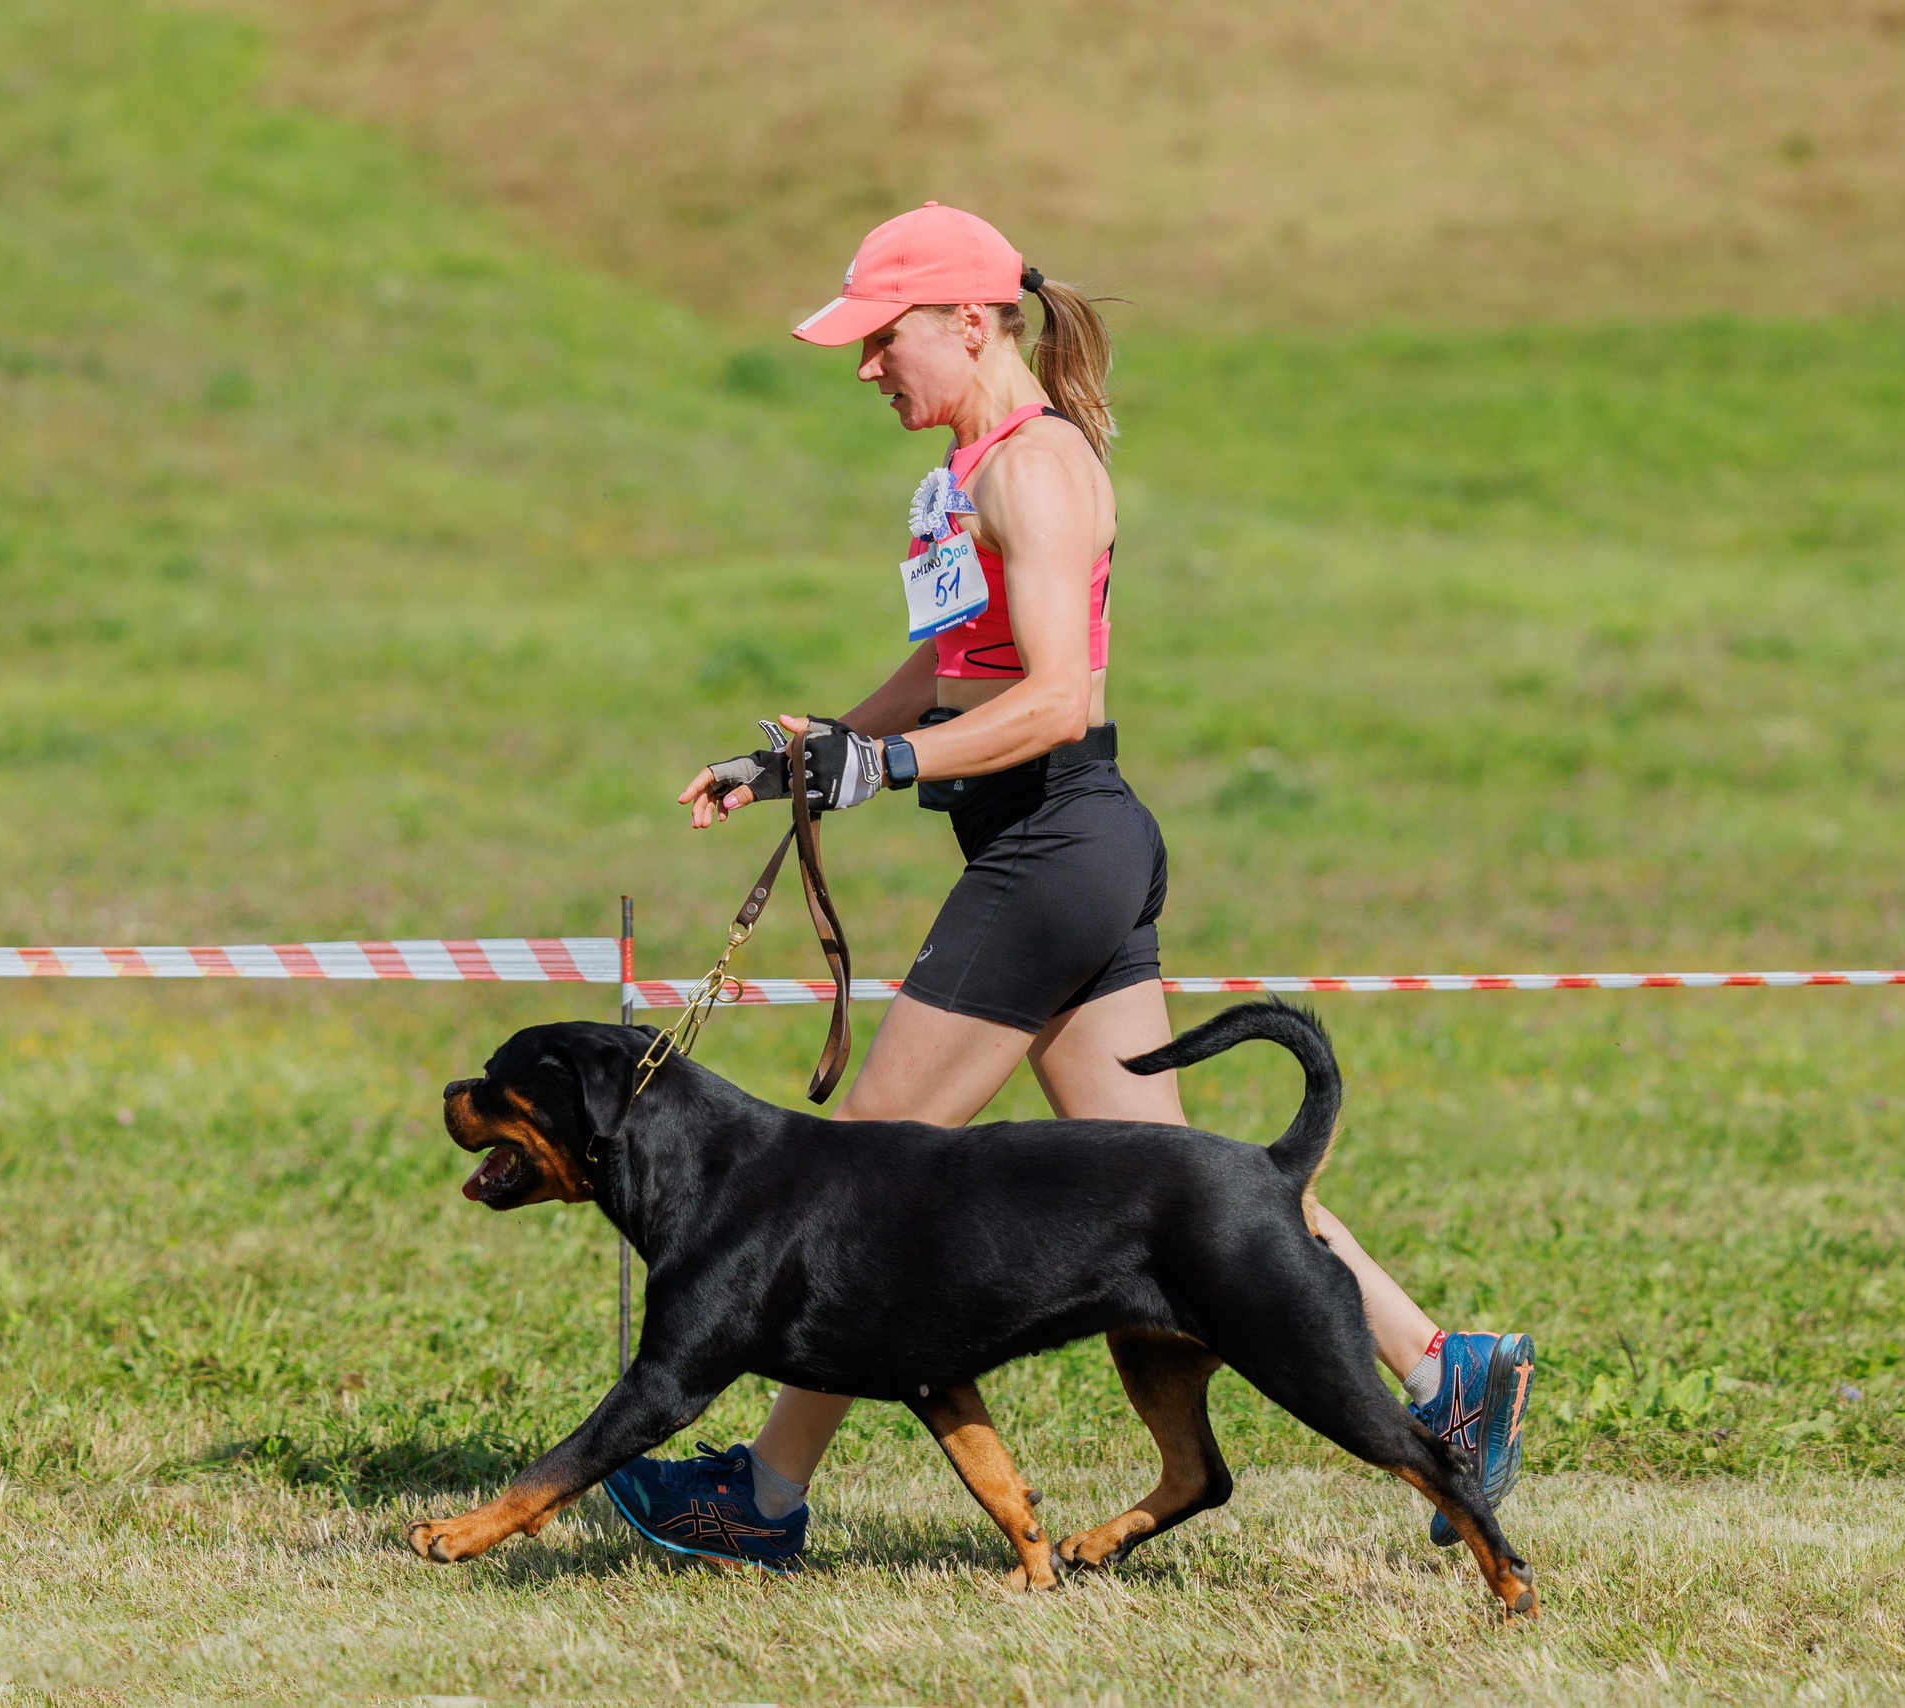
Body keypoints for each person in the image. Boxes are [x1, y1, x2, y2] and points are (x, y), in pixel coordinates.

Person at [602, 204, 1533, 1574]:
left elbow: (1053, 699)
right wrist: (807, 761)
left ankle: (764, 1496)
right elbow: (947, 663)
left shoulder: (1034, 471)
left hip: (1056, 844)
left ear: (968, 321)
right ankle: (1446, 1365)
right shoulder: (972, 469)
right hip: (1047, 851)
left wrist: (885, 769)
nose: (865, 367)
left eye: (882, 337)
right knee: (1191, 1187)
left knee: (855, 1181)